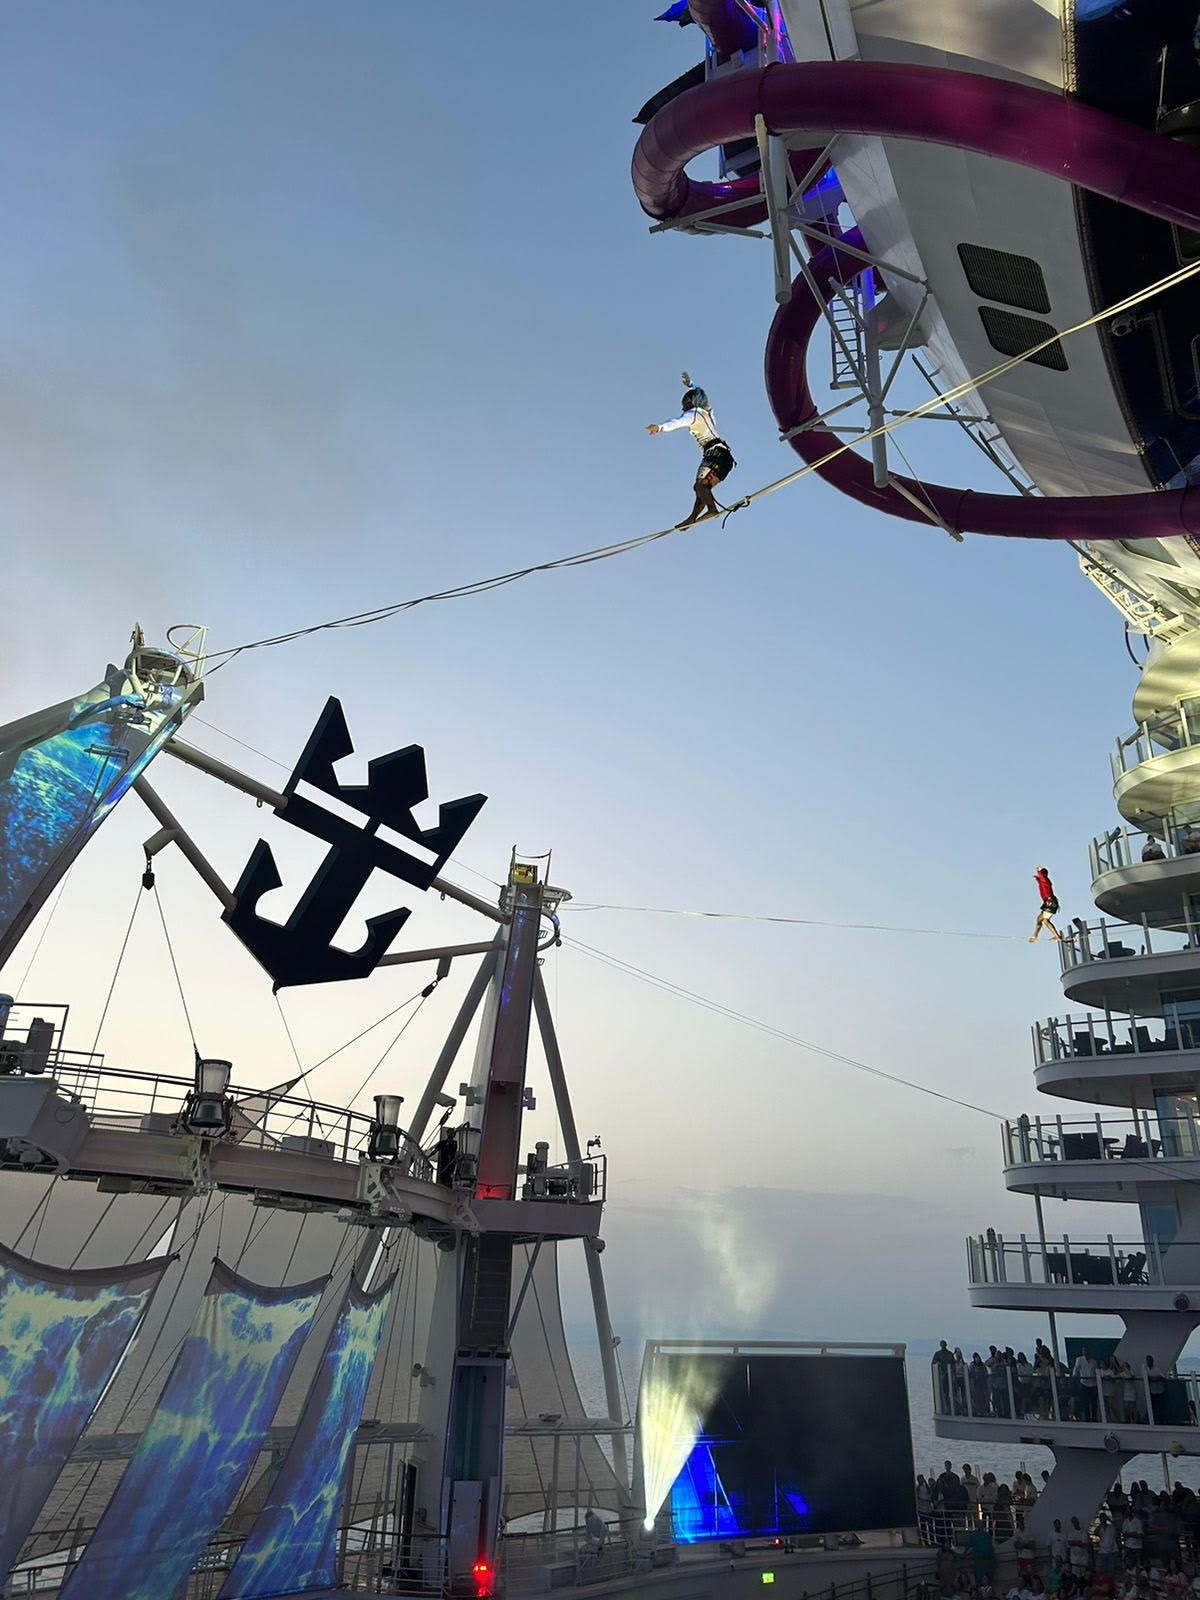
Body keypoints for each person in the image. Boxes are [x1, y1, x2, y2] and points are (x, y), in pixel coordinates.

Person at [646, 372, 736, 529]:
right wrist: (691, 385)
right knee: (701, 487)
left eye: (685, 404)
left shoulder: (693, 414)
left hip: (715, 455)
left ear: (692, 403)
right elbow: (702, 396)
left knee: (700, 487)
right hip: (725, 458)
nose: (683, 408)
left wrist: (659, 427)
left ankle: (711, 510)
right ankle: (692, 518)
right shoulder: (708, 412)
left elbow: (676, 422)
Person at [1031, 865, 1063, 942]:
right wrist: (1036, 878)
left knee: (1045, 920)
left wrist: (1039, 871)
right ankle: (1035, 935)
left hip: (1050, 902)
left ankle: (1056, 936)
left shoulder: (1045, 879)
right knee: (1039, 919)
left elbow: (1042, 877)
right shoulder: (1042, 881)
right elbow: (1040, 881)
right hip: (1047, 903)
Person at [1072, 1345, 1099, 1421]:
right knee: (1086, 1402)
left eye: (1086, 1350)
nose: (1085, 1352)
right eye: (1084, 1350)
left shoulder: (1094, 1361)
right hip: (1084, 1383)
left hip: (1093, 1384)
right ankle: (1088, 1418)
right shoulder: (1079, 1359)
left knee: (1094, 1403)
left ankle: (1094, 1418)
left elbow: (1096, 1371)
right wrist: (1074, 1375)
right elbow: (1076, 1368)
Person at [932, 1340, 956, 1413]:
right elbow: (933, 1361)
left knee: (952, 1391)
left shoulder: (950, 1354)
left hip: (950, 1374)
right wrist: (938, 1363)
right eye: (942, 1345)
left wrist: (953, 1374)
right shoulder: (938, 1354)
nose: (943, 1346)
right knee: (945, 1392)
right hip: (943, 1375)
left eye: (944, 1344)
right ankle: (946, 1408)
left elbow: (953, 1363)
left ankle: (952, 1407)